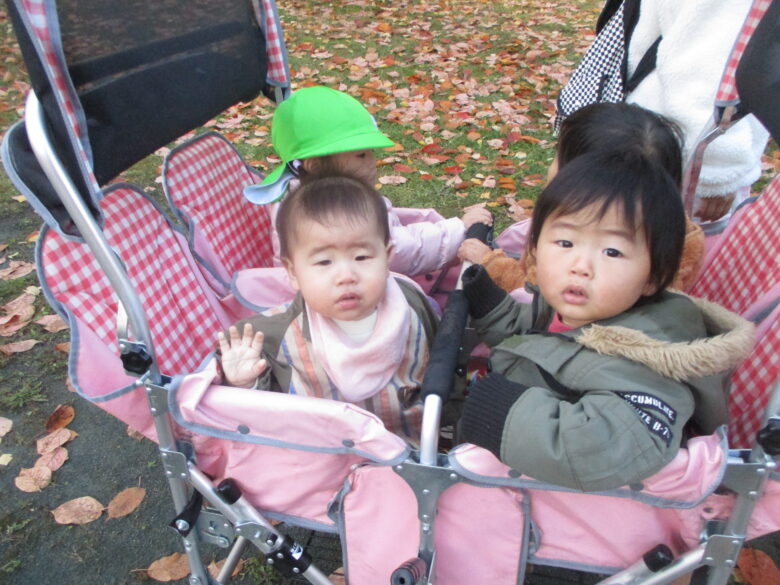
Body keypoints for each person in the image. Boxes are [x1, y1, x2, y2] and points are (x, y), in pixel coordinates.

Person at [458, 150, 754, 492]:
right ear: (536, 250)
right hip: (507, 427)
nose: (581, 265)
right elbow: (538, 342)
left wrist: (496, 409)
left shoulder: (649, 362)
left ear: (654, 277)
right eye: (565, 242)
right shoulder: (581, 310)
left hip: (545, 496)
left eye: (612, 252)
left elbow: (604, 447)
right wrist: (491, 306)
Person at [218, 174, 439, 439]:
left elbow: (445, 363)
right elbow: (263, 416)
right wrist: (245, 383)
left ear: (387, 257)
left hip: (412, 451)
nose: (346, 276)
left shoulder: (412, 307)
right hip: (322, 457)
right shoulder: (269, 337)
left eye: (361, 257)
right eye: (324, 262)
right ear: (293, 272)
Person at [243, 85, 492, 276]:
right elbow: (396, 250)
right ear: (316, 166)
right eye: (361, 155)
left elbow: (389, 222)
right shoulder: (326, 212)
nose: (373, 162)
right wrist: (456, 230)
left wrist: (434, 223)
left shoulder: (323, 193)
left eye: (371, 152)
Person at [458, 102, 705, 294]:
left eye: (557, 156)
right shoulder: (671, 228)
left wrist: (491, 266)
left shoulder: (582, 244)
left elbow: (538, 300)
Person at [624, 0, 770, 226]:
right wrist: (714, 173)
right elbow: (704, 65)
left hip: (657, 136)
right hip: (683, 150)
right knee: (672, 242)